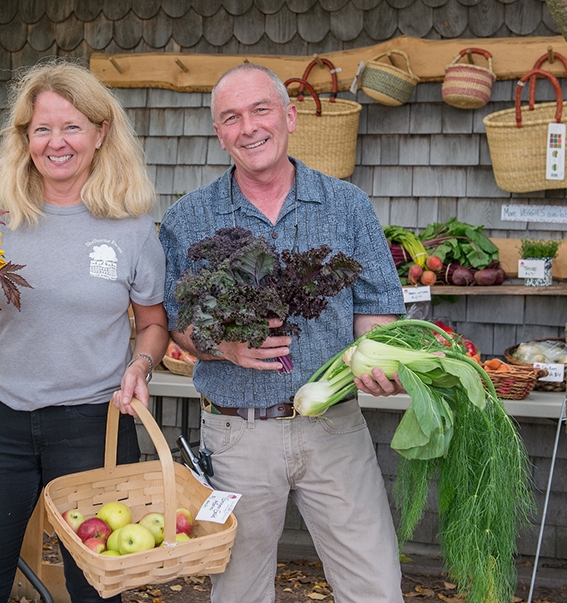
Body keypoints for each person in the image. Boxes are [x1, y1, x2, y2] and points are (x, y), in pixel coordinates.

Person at [158, 63, 407, 603]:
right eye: (231, 117)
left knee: (375, 586)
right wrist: (223, 346)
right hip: (237, 435)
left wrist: (378, 358)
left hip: (334, 428)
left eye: (260, 110)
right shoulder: (187, 219)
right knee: (239, 591)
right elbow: (175, 325)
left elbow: (378, 306)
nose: (248, 127)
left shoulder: (347, 206)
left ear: (289, 117)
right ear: (219, 133)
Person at [0, 60, 169, 603]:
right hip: (0, 424)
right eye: (42, 128)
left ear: (100, 133)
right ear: (25, 137)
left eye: (71, 127)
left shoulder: (131, 227)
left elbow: (152, 322)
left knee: (95, 590)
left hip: (94, 427)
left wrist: (141, 363)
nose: (55, 142)